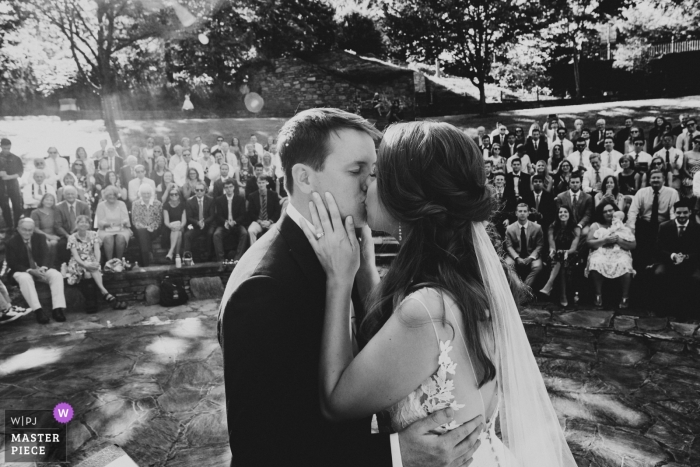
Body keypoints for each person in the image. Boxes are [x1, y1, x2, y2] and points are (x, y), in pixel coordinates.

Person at [217, 111, 524, 467]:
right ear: (303, 178)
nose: (368, 185)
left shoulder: (360, 262)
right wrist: (394, 454)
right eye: (356, 170)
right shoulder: (263, 289)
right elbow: (261, 452)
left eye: (374, 171)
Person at [290, 117, 577, 467]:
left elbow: (336, 400)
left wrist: (340, 279)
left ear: (408, 197)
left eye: (377, 175)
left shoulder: (426, 311)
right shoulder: (464, 281)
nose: (366, 185)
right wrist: (366, 268)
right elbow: (387, 346)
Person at [6, 218, 67, 324]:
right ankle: (38, 311)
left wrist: (43, 268)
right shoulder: (11, 242)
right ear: (18, 229)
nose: (27, 232)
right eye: (24, 229)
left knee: (56, 275)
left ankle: (57, 309)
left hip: (40, 268)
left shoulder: (40, 237)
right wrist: (30, 270)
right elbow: (12, 263)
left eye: (30, 230)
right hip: (22, 270)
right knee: (25, 278)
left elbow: (46, 255)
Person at [63, 214, 127, 310]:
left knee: (90, 272)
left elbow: (97, 250)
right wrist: (85, 265)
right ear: (77, 224)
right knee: (89, 271)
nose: (83, 224)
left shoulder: (94, 234)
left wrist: (97, 262)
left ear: (89, 224)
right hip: (77, 263)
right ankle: (105, 293)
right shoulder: (72, 237)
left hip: (91, 260)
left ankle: (94, 302)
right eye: (81, 222)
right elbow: (75, 256)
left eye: (86, 222)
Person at [653, 199, 700, 318]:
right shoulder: (664, 226)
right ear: (674, 212)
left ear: (690, 212)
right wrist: (672, 256)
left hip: (691, 263)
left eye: (685, 212)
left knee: (695, 278)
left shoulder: (697, 228)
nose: (682, 215)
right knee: (659, 273)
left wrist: (686, 257)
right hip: (668, 261)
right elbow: (658, 249)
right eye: (678, 212)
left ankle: (690, 311)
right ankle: (661, 309)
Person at [585, 201, 636, 309]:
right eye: (605, 212)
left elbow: (633, 245)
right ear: (601, 214)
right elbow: (589, 243)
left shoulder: (624, 226)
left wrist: (619, 241)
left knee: (624, 263)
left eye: (611, 210)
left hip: (620, 251)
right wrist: (605, 240)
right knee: (596, 261)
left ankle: (625, 297)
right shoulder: (596, 225)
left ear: (615, 211)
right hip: (601, 251)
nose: (608, 213)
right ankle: (598, 295)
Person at [627, 170, 679, 269]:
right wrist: (631, 229)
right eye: (653, 178)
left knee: (662, 243)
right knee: (640, 243)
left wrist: (673, 229)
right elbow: (633, 212)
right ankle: (640, 268)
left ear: (664, 180)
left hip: (663, 224)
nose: (655, 180)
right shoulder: (641, 192)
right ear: (649, 180)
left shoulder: (672, 193)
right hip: (645, 224)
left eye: (658, 177)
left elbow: (673, 213)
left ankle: (659, 265)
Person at [539, 206, 580, 307]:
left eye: (565, 212)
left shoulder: (576, 228)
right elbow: (552, 246)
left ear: (569, 214)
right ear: (557, 215)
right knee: (559, 259)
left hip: (571, 254)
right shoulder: (552, 227)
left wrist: (564, 252)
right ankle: (563, 296)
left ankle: (549, 285)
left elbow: (573, 248)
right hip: (555, 254)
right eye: (560, 212)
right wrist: (555, 253)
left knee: (562, 259)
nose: (563, 214)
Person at [505, 203, 544, 288]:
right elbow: (509, 246)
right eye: (520, 211)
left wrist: (531, 257)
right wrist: (517, 258)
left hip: (532, 255)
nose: (522, 213)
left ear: (528, 213)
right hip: (515, 255)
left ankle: (525, 288)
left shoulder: (537, 227)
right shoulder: (510, 228)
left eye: (525, 211)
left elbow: (539, 245)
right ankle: (520, 287)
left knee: (537, 266)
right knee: (507, 264)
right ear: (516, 213)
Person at [213, 179, 248, 268]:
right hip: (224, 225)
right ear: (224, 189)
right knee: (216, 234)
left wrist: (235, 222)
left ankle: (237, 259)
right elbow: (218, 215)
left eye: (230, 187)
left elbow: (243, 215)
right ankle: (221, 261)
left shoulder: (239, 199)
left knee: (244, 233)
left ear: (234, 187)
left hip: (236, 224)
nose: (229, 189)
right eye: (226, 187)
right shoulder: (219, 199)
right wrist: (225, 222)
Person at [55, 186, 92, 264]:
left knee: (87, 243)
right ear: (64, 196)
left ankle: (85, 264)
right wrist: (67, 235)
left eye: (72, 194)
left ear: (76, 195)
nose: (70, 196)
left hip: (82, 232)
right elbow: (57, 225)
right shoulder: (58, 207)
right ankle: (66, 266)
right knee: (62, 245)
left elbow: (88, 221)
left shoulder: (84, 205)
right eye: (68, 194)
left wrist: (80, 233)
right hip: (66, 234)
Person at [95, 185, 132, 261]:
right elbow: (100, 221)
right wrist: (107, 224)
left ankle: (118, 261)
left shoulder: (122, 204)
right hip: (105, 229)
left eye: (114, 195)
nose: (112, 197)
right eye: (109, 195)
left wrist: (123, 222)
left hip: (121, 228)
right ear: (106, 195)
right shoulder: (101, 205)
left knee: (121, 238)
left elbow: (126, 219)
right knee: (108, 238)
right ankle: (110, 262)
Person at [131, 184, 162, 267]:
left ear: (151, 194)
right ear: (140, 194)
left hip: (154, 230)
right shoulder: (136, 204)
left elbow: (159, 219)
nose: (146, 195)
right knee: (142, 232)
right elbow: (135, 220)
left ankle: (145, 261)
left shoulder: (157, 203)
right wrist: (145, 227)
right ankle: (148, 256)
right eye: (144, 193)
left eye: (148, 193)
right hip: (140, 229)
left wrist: (152, 227)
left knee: (144, 235)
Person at [555, 171, 593, 238]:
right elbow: (559, 214)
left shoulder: (588, 197)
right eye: (572, 182)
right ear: (569, 184)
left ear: (581, 184)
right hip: (566, 223)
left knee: (585, 233)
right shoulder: (561, 196)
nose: (575, 184)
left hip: (582, 224)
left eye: (577, 182)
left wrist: (579, 225)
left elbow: (588, 215)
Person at [183, 181, 215, 260]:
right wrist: (198, 223)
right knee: (187, 235)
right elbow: (189, 217)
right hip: (196, 225)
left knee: (211, 233)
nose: (199, 192)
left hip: (208, 224)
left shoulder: (210, 200)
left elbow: (212, 215)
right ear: (194, 191)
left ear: (205, 191)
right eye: (197, 190)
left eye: (201, 190)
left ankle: (209, 256)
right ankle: (187, 257)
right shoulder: (189, 201)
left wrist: (204, 223)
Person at [246, 175, 281, 245]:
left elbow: (277, 211)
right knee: (251, 230)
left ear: (267, 183)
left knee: (276, 230)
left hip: (270, 221)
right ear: (257, 183)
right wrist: (259, 221)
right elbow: (251, 212)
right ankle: (254, 252)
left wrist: (270, 221)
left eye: (263, 182)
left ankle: (272, 253)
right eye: (259, 183)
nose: (261, 184)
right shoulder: (252, 196)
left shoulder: (273, 195)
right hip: (258, 222)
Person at [30, 193, 61, 267]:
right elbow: (35, 228)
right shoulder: (35, 212)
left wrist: (53, 236)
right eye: (47, 200)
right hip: (40, 235)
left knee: (54, 243)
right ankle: (44, 265)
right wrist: (49, 236)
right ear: (42, 201)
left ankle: (52, 265)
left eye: (51, 200)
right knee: (47, 244)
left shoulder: (55, 211)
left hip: (53, 234)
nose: (49, 202)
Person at [0, 138, 24, 229]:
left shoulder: (16, 158)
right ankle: (9, 226)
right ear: (1, 146)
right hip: (1, 186)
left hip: (13, 185)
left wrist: (9, 177)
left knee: (17, 205)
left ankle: (18, 226)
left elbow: (20, 172)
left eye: (8, 148)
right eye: (4, 148)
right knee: (4, 205)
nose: (6, 150)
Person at [162, 188, 187, 261]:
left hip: (180, 226)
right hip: (168, 227)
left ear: (179, 195)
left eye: (176, 194)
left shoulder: (182, 205)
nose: (174, 196)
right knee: (178, 232)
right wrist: (171, 226)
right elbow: (166, 221)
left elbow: (184, 220)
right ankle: (177, 254)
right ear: (169, 196)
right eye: (172, 194)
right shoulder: (166, 205)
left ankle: (171, 252)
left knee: (178, 230)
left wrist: (180, 226)